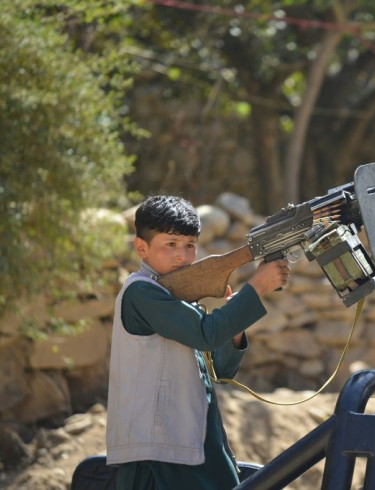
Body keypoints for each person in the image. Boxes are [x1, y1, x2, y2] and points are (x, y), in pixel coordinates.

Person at [106, 195, 290, 490]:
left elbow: (222, 369)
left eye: (190, 245)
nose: (183, 256)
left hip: (192, 445)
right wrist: (256, 287)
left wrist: (234, 325)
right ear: (142, 248)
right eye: (171, 244)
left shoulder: (175, 299)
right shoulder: (141, 292)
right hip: (159, 454)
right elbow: (205, 333)